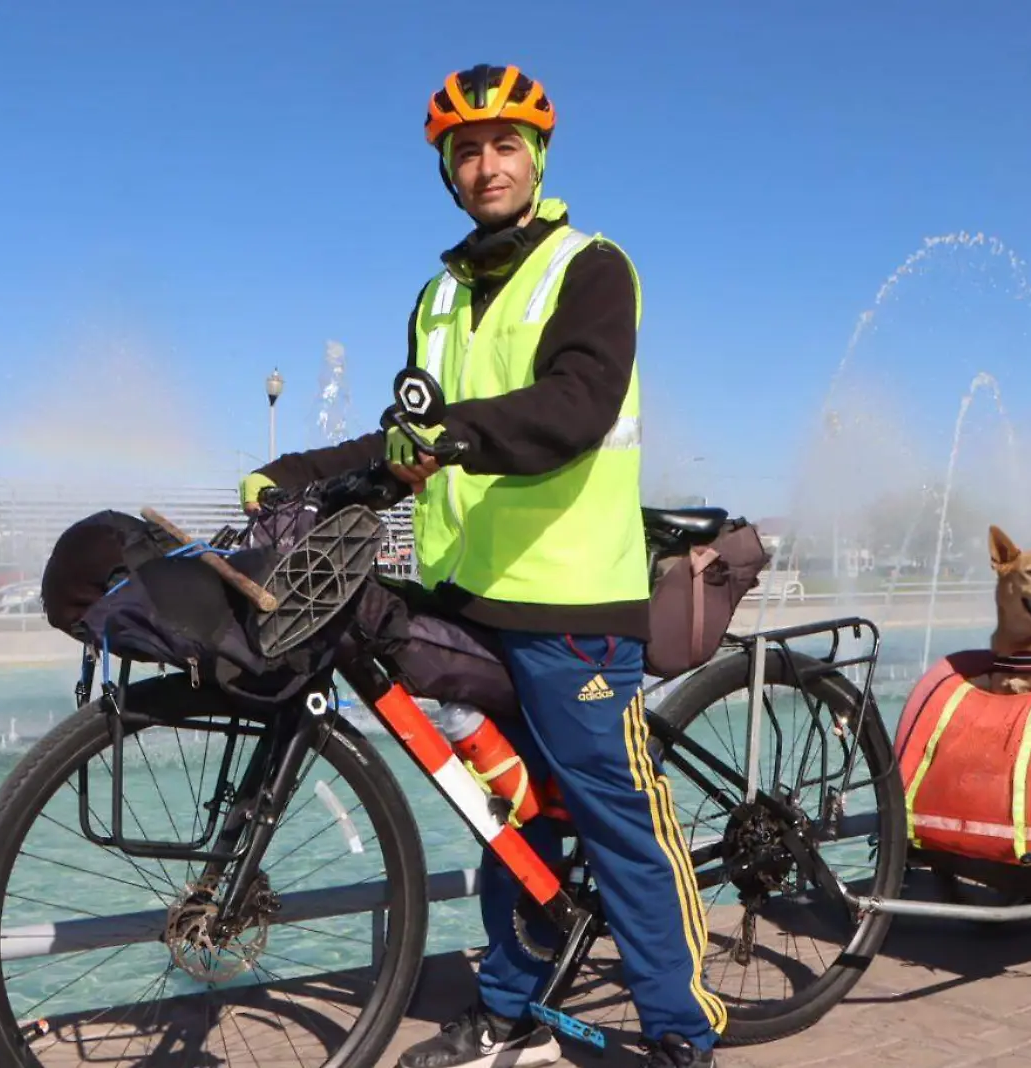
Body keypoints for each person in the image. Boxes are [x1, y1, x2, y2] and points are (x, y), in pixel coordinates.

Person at [241, 63, 722, 1068]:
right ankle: (507, 1008)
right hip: (472, 597)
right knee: (507, 812)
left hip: (573, 600)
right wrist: (301, 471)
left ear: (536, 158)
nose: (486, 163)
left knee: (612, 812)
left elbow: (575, 406)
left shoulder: (590, 267)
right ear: (447, 173)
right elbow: (407, 433)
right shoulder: (438, 294)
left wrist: (445, 436)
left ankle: (682, 1031)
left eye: (505, 145)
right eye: (466, 150)